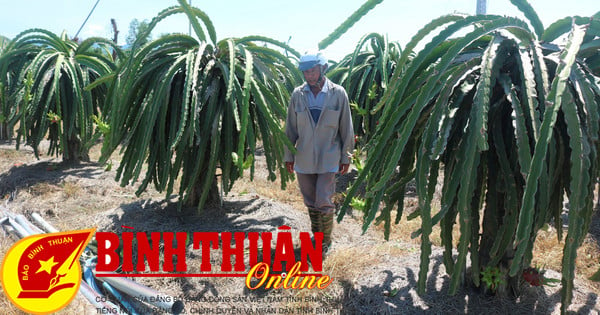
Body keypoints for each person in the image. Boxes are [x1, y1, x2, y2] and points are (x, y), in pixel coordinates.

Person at [284, 51, 354, 254]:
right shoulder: (298, 94)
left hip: (329, 156)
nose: (309, 76)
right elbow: (290, 128)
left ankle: (326, 243)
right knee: (310, 200)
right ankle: (317, 236)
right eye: (305, 72)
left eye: (313, 71)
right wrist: (289, 155)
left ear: (323, 68)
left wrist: (346, 156)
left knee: (324, 199)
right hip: (304, 157)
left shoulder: (337, 93)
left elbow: (346, 127)